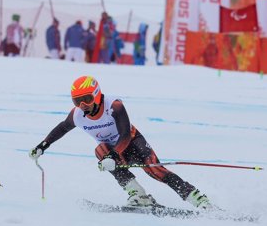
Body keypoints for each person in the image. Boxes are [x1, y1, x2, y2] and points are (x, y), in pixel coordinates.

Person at [28, 75, 213, 210]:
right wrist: (42, 146)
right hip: (112, 153)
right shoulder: (77, 115)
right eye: (78, 101)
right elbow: (62, 128)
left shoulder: (113, 105)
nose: (83, 105)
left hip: (132, 143)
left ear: (97, 95)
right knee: (99, 151)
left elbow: (125, 134)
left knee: (156, 171)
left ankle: (198, 199)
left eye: (87, 99)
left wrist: (113, 155)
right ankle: (139, 195)